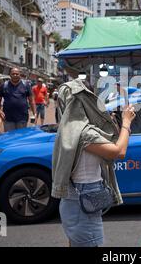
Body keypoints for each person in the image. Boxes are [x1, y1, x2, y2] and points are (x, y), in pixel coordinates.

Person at [52, 78, 136, 247]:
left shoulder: (70, 129)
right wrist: (126, 121)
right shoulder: (83, 133)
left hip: (79, 197)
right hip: (83, 198)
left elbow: (112, 138)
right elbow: (119, 151)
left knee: (78, 242)